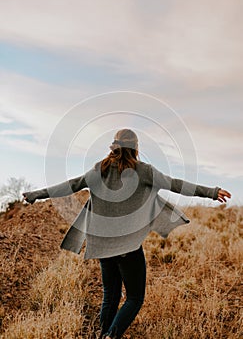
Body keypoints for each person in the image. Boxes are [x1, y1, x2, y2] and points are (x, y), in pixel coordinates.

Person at [23, 128, 231, 339]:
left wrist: (36, 194)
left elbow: (69, 186)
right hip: (129, 247)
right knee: (134, 298)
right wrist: (212, 192)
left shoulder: (99, 170)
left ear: (114, 146)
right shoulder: (143, 171)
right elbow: (175, 184)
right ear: (136, 147)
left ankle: (103, 334)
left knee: (110, 297)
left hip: (103, 247)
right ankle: (111, 336)